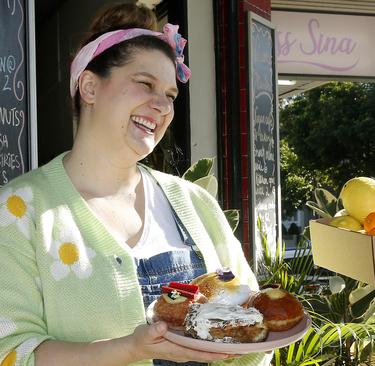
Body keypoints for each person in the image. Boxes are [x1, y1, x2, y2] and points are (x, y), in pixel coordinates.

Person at [0, 3, 270, 366]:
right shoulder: (19, 212)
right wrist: (131, 350)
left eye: (171, 95)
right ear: (90, 86)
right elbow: (11, 353)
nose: (162, 106)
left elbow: (249, 322)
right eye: (145, 84)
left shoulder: (194, 203)